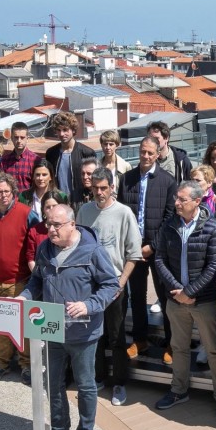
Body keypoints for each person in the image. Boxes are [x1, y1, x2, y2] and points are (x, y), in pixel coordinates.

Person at [19, 204, 120, 430]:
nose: (50, 230)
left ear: (72, 224)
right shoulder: (45, 249)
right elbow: (36, 281)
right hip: (51, 328)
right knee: (53, 384)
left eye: (56, 225)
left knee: (86, 386)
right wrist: (24, 297)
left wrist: (88, 304)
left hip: (83, 333)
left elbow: (111, 285)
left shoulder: (93, 251)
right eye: (48, 225)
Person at [152, 181, 216, 419]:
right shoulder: (169, 225)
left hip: (204, 301)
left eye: (182, 199)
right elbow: (159, 260)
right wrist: (178, 290)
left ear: (197, 201)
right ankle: (178, 390)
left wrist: (191, 292)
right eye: (177, 198)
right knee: (179, 347)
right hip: (176, 300)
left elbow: (215, 265)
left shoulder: (213, 228)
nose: (176, 203)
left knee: (214, 350)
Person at [77, 167, 142, 406]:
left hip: (114, 284)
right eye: (95, 188)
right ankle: (98, 377)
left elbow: (133, 254)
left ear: (112, 187)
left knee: (116, 337)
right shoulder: (84, 211)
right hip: (90, 286)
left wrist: (121, 283)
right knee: (94, 334)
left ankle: (119, 384)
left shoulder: (124, 213)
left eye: (104, 188)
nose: (99, 192)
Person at [120, 137, 179, 359]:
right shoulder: (127, 179)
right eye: (142, 152)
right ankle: (140, 340)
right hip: (133, 249)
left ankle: (171, 344)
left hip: (158, 250)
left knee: (165, 297)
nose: (145, 156)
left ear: (157, 154)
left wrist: (152, 247)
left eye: (150, 153)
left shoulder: (168, 181)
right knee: (137, 296)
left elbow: (169, 218)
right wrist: (134, 247)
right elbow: (122, 215)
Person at [0, 172, 34, 383]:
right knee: (0, 327)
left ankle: (26, 365)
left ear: (13, 192)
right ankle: (1, 363)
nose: (3, 195)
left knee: (23, 328)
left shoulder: (26, 213)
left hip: (18, 281)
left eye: (6, 191)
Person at [44, 111, 95, 204]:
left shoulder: (87, 152)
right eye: (59, 130)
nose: (62, 134)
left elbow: (93, 179)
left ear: (73, 130)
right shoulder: (51, 153)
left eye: (65, 130)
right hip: (58, 201)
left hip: (80, 201)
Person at [18, 157, 68, 227]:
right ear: (33, 177)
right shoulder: (24, 196)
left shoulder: (61, 196)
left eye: (44, 175)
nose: (40, 178)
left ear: (51, 177)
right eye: (37, 175)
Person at [25, 194, 65, 274]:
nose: (51, 209)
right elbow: (31, 257)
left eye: (54, 206)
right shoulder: (35, 231)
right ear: (43, 209)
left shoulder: (67, 227)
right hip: (43, 276)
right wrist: (39, 277)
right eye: (47, 207)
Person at [0, 121, 39, 192]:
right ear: (11, 138)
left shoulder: (35, 160)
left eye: (22, 137)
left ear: (27, 138)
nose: (19, 140)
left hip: (28, 201)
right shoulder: (4, 161)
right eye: (16, 137)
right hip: (10, 201)